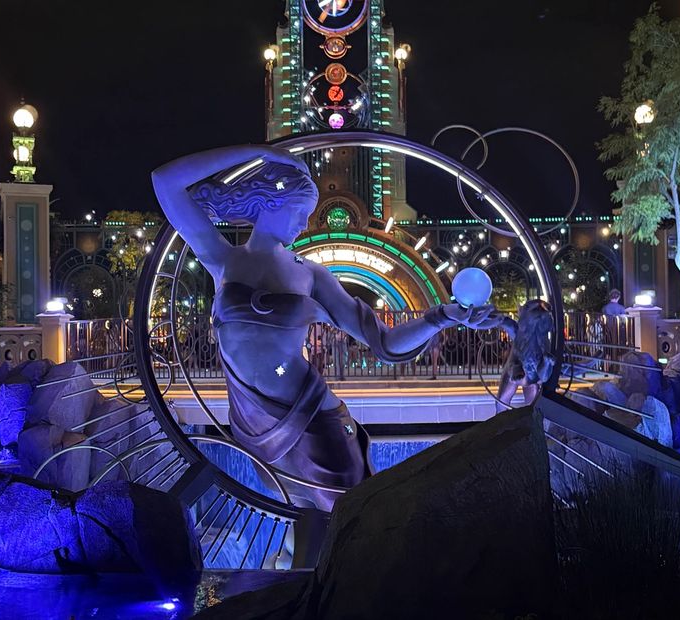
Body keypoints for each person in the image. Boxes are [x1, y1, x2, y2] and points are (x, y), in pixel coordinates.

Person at [152, 145, 498, 511]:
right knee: (301, 524)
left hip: (318, 423)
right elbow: (165, 181)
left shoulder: (311, 275)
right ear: (272, 201)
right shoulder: (224, 259)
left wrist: (442, 316)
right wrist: (259, 153)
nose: (303, 225)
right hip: (255, 424)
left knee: (349, 519)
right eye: (301, 213)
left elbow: (383, 343)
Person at [495, 299, 556, 410]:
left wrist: (547, 362)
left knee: (531, 406)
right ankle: (500, 421)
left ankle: (529, 422)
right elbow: (506, 323)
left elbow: (544, 376)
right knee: (502, 400)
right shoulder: (520, 331)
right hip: (515, 372)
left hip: (532, 379)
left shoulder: (542, 341)